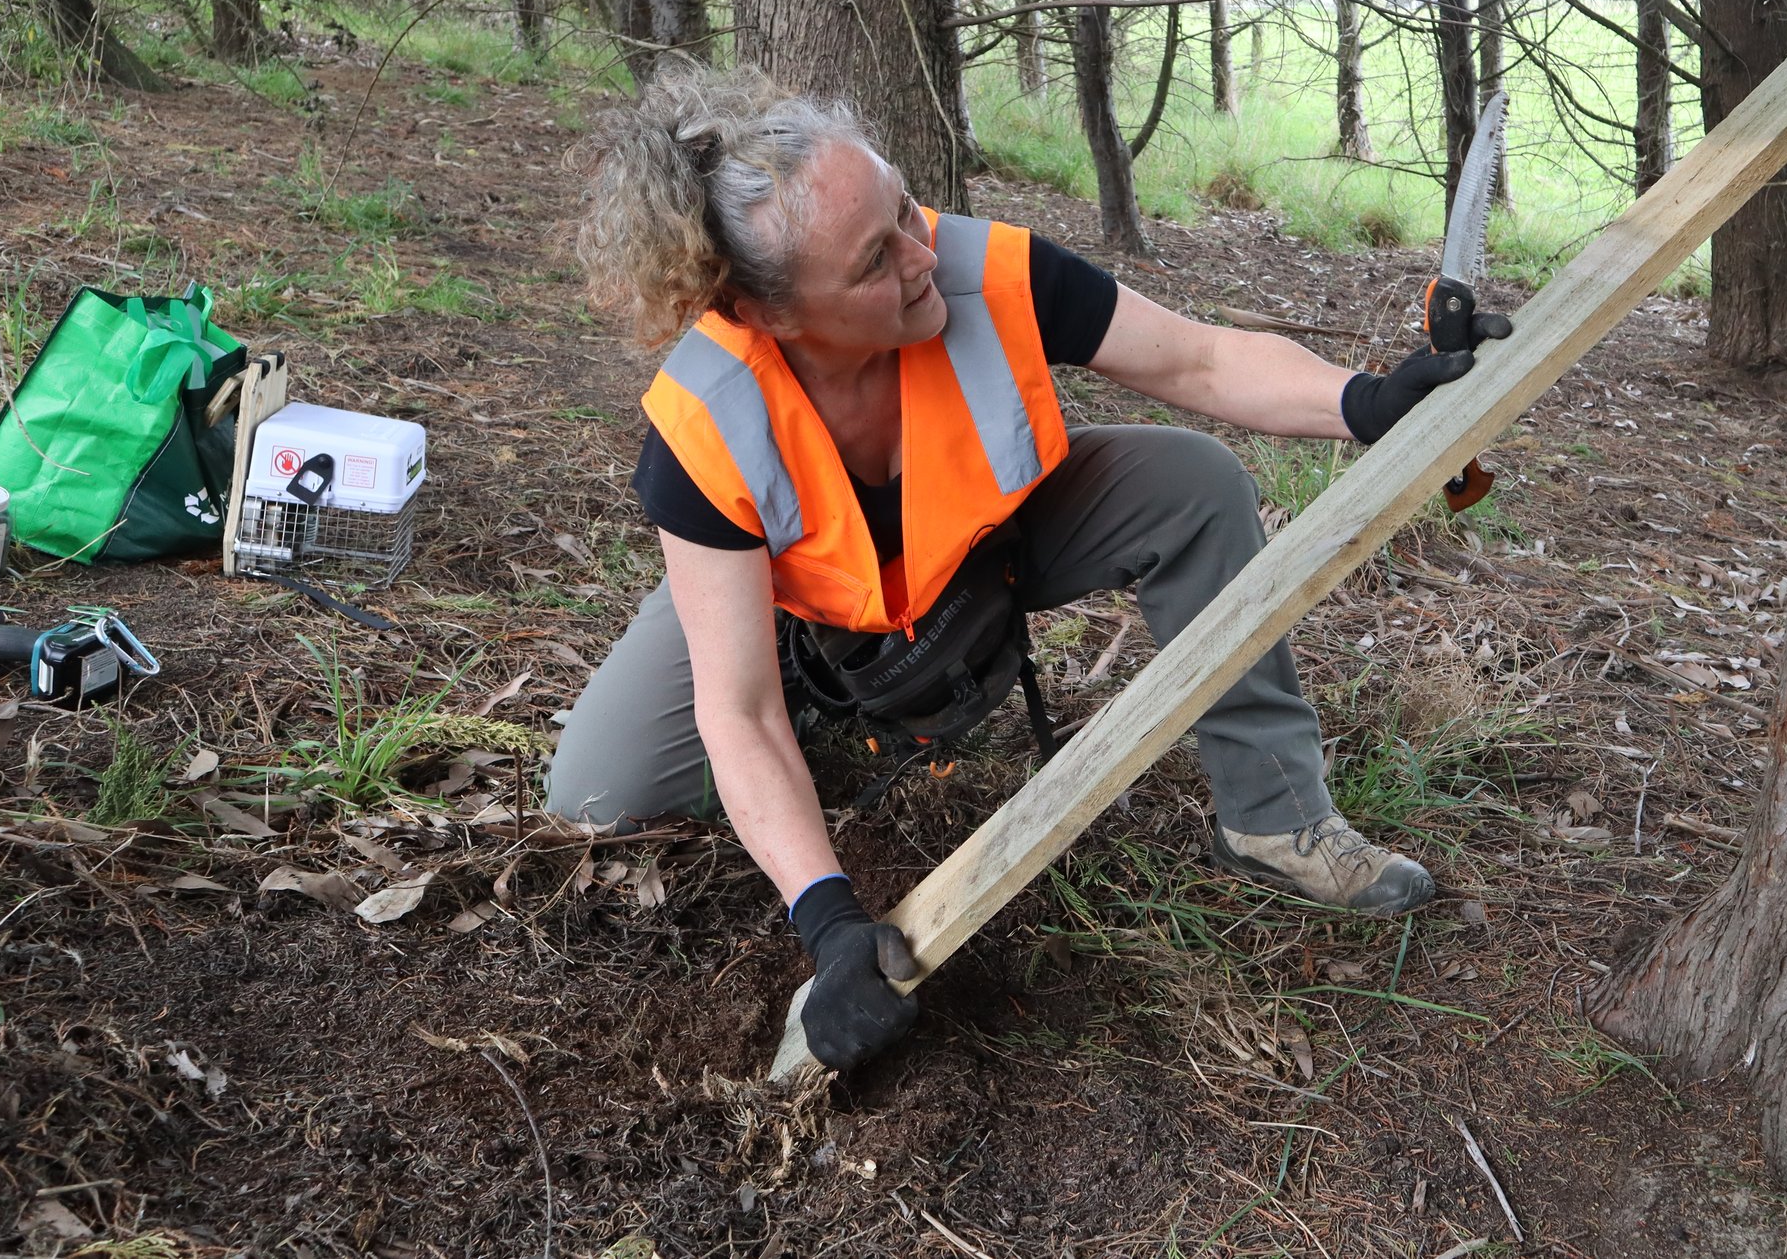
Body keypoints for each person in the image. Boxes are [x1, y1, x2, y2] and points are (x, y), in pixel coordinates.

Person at [548, 62, 1507, 1070]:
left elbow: (1200, 362)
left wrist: (1367, 402)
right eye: (874, 259)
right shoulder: (706, 422)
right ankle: (821, 746)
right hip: (784, 607)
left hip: (973, 549)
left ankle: (1275, 815)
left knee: (1194, 482)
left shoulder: (984, 270)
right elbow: (735, 709)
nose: (923, 254)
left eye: (905, 207)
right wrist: (830, 923)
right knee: (599, 792)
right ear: (775, 316)